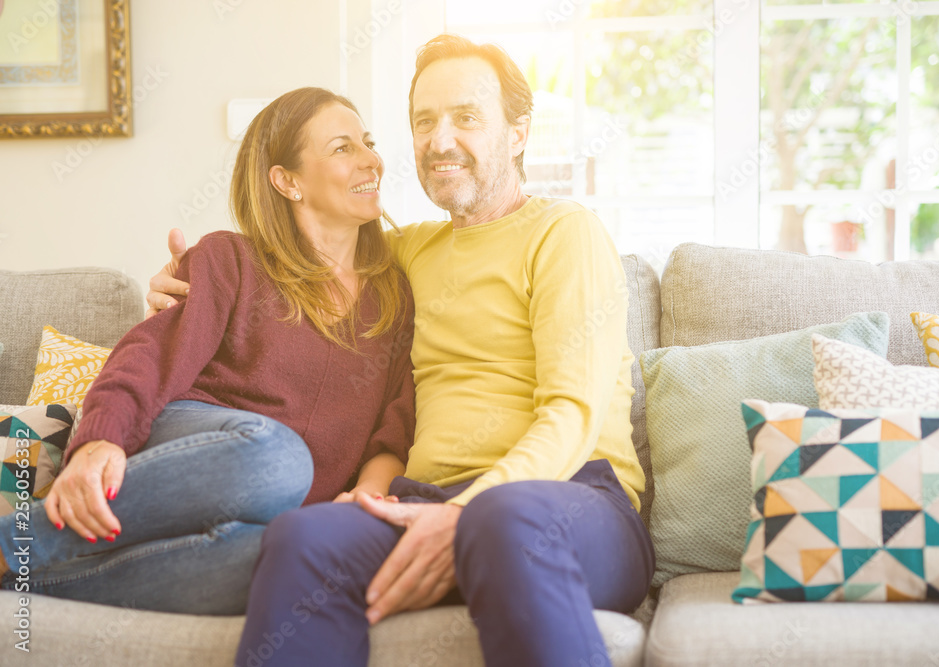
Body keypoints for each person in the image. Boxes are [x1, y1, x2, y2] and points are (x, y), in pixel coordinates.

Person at [146, 34, 653, 665]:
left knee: (502, 522)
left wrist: (466, 513)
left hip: (574, 502)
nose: (440, 140)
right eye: (423, 122)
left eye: (466, 118)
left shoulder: (564, 233)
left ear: (519, 134)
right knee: (305, 537)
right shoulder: (404, 254)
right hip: (428, 503)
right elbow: (296, 261)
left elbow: (572, 415)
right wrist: (188, 285)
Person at [0, 87, 416, 615]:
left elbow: (395, 422)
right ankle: (20, 539)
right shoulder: (230, 258)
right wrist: (97, 442)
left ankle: (25, 581)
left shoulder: (395, 296)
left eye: (369, 143)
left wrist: (367, 498)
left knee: (284, 561)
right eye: (342, 148)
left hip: (272, 514)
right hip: (205, 439)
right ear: (287, 180)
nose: (371, 159)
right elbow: (147, 355)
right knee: (279, 457)